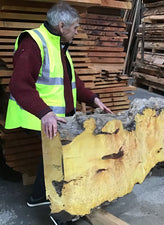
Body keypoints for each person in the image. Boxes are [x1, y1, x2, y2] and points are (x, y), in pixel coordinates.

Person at [5, 2, 112, 224]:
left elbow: (71, 82)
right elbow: (19, 84)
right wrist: (44, 113)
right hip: (36, 116)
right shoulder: (33, 43)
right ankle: (61, 212)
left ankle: (37, 197)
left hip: (56, 116)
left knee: (54, 158)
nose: (77, 31)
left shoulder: (58, 44)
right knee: (64, 158)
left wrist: (93, 98)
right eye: (75, 27)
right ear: (61, 25)